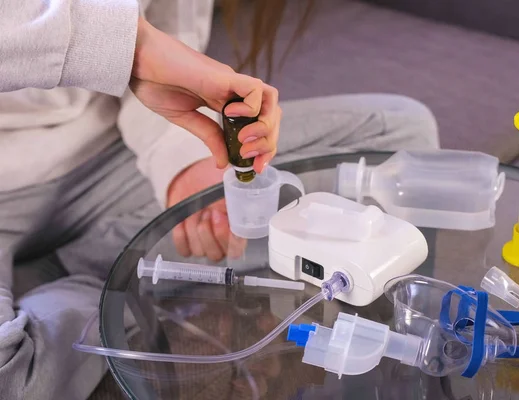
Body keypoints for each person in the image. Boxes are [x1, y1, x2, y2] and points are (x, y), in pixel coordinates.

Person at [0, 0, 439, 398]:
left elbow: (164, 58)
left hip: (113, 161)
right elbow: (140, 49)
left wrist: (183, 167)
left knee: (402, 140)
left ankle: (88, 272)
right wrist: (131, 46)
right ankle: (101, 279)